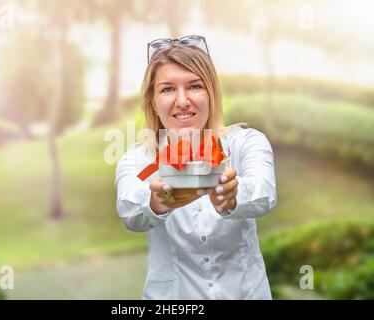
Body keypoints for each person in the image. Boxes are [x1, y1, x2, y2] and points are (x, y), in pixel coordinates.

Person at [115, 35, 277, 299]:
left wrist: (233, 195)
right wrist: (155, 202)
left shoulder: (246, 142)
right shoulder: (138, 160)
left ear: (211, 93)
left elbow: (266, 194)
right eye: (167, 89)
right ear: (153, 101)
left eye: (194, 86)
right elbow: (129, 210)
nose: (182, 101)